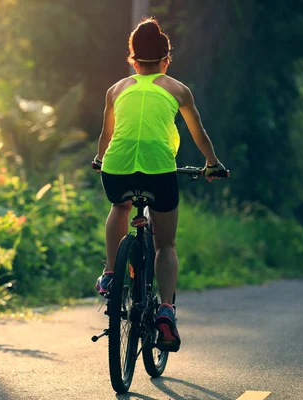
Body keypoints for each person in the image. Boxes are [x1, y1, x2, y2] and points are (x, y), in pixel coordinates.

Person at [93, 17, 226, 352]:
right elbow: (199, 134)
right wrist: (213, 164)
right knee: (166, 244)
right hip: (159, 171)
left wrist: (99, 160)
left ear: (132, 60)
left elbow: (106, 136)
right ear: (166, 59)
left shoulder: (116, 89)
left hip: (117, 169)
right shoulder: (178, 89)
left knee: (119, 206)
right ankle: (165, 307)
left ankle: (110, 272)